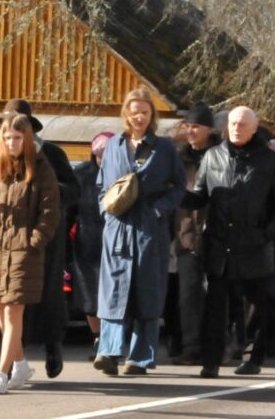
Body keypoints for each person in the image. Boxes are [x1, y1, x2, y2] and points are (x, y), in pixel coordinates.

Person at [183, 107, 275, 378]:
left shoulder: (269, 160)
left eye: (242, 124)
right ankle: (211, 362)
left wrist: (265, 234)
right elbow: (199, 196)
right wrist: (176, 194)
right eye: (232, 123)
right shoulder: (213, 155)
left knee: (259, 307)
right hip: (219, 245)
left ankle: (254, 357)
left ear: (254, 128)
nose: (236, 128)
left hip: (254, 246)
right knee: (215, 308)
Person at [93, 88, 186, 376]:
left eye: (145, 112)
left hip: (149, 228)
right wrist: (106, 212)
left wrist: (158, 210)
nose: (140, 117)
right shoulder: (114, 145)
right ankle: (108, 352)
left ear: (152, 115)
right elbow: (101, 185)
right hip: (118, 227)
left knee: (147, 291)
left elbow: (179, 187)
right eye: (135, 112)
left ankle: (140, 357)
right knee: (114, 290)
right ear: (126, 114)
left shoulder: (164, 148)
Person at [0, 99, 80, 379]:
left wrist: (45, 191)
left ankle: (53, 346)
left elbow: (73, 190)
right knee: (6, 300)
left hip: (44, 237)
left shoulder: (50, 153)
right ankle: (11, 363)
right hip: (6, 237)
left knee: (47, 297)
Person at [0, 115, 61, 394]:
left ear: (27, 139)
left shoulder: (42, 169)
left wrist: (34, 241)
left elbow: (49, 213)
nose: (11, 142)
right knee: (1, 310)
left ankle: (1, 373)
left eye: (17, 137)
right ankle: (21, 363)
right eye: (7, 137)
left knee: (13, 310)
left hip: (24, 249)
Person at [170, 102, 220, 366]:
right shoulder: (179, 159)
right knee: (188, 296)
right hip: (186, 233)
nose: (190, 131)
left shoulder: (222, 156)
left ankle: (218, 345)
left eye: (196, 127)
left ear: (209, 129)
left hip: (218, 235)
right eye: (188, 126)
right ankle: (191, 347)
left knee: (218, 296)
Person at [71, 131, 114, 359]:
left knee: (112, 294)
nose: (103, 157)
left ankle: (111, 339)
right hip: (86, 242)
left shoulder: (122, 174)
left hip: (114, 242)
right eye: (100, 153)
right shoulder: (81, 175)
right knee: (88, 295)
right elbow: (69, 210)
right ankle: (97, 336)